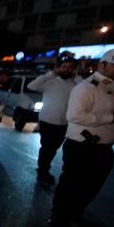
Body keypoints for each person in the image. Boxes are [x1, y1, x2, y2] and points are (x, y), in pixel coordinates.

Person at [50, 48, 114, 227]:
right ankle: (58, 218)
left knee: (92, 186)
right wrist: (110, 117)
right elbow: (74, 116)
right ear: (102, 64)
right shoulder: (87, 87)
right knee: (71, 185)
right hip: (83, 146)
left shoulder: (113, 87)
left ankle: (74, 212)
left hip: (104, 148)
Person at [27, 56, 80, 185]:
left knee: (53, 149)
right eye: (64, 67)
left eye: (71, 67)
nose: (67, 70)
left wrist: (77, 77)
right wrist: (51, 74)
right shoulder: (50, 81)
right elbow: (31, 86)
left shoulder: (75, 84)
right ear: (59, 68)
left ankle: (44, 169)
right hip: (47, 121)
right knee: (46, 148)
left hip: (64, 123)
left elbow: (84, 87)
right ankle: (42, 173)